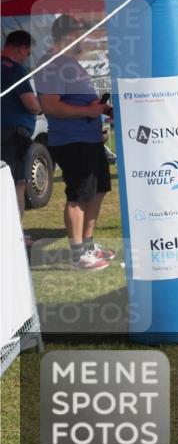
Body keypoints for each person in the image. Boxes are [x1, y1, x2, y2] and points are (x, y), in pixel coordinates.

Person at [35, 15, 115, 270]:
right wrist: (88, 113)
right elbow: (50, 106)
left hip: (89, 138)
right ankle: (78, 252)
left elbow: (80, 101)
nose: (85, 41)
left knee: (98, 190)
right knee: (79, 196)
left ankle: (89, 245)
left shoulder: (70, 63)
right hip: (72, 140)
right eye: (80, 35)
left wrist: (100, 110)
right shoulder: (51, 64)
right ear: (67, 36)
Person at [1, 30, 43, 220]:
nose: (28, 57)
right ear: (20, 48)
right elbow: (32, 105)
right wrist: (43, 106)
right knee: (16, 185)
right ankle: (16, 237)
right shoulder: (15, 70)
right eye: (28, 53)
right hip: (12, 137)